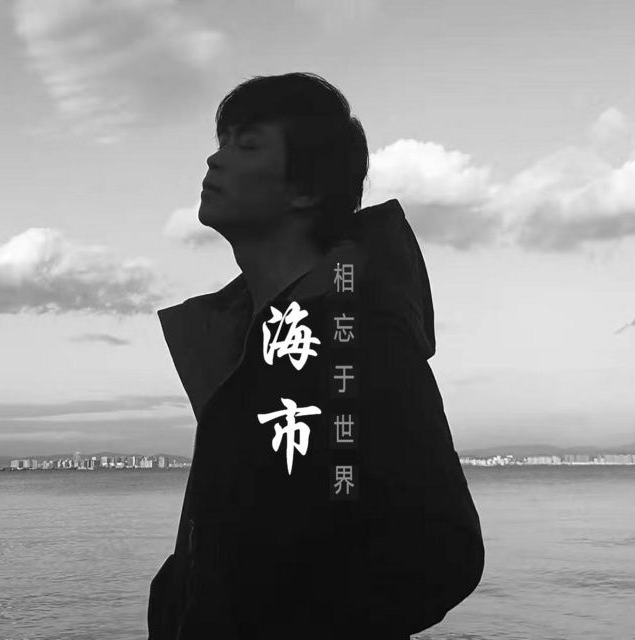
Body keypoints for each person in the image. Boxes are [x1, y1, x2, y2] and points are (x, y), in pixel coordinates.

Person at [148, 72, 485, 640]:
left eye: (247, 145)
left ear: (306, 190)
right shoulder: (250, 342)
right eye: (222, 141)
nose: (215, 159)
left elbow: (442, 550)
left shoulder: (358, 338)